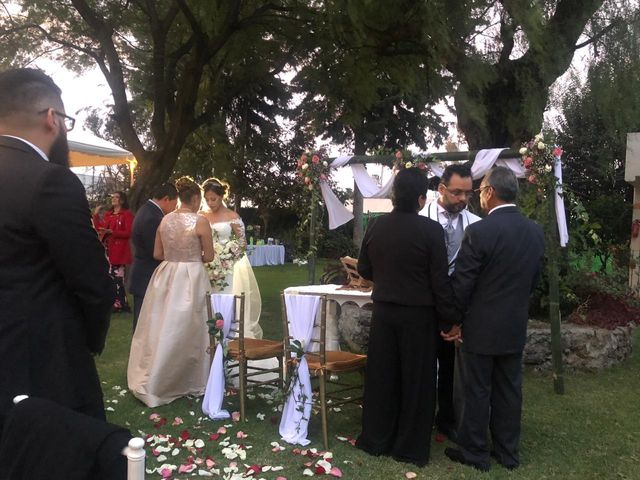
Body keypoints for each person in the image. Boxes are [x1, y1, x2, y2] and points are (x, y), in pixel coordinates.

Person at [0, 68, 114, 430]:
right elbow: (92, 279)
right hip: (40, 355)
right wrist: (92, 337)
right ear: (52, 119)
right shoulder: (49, 180)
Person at [355, 167, 462, 467]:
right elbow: (440, 282)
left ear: (393, 195)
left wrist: (387, 278)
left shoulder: (376, 226)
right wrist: (449, 320)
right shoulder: (430, 231)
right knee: (417, 381)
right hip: (418, 316)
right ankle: (410, 447)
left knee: (382, 376)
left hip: (385, 313)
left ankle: (376, 439)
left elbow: (364, 269)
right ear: (420, 199)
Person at [444, 166, 545, 472]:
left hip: (480, 326)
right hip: (514, 323)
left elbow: (463, 283)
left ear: (489, 192)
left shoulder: (480, 231)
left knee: (475, 390)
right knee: (509, 390)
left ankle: (475, 452)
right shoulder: (535, 231)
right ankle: (507, 451)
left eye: (479, 191)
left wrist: (454, 321)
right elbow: (533, 280)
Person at [127, 177, 214, 407]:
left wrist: (175, 258)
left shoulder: (164, 220)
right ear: (195, 198)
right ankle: (191, 376)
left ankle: (158, 373)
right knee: (191, 323)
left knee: (162, 323)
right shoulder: (201, 221)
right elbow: (210, 256)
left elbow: (157, 253)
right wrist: (191, 257)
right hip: (192, 274)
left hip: (166, 273)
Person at [419, 164, 480, 440]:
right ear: (441, 189)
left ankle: (447, 417)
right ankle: (418, 414)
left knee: (450, 367)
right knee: (420, 362)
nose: (463, 199)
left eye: (468, 193)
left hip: (455, 308)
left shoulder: (477, 226)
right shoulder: (421, 218)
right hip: (422, 304)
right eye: (457, 193)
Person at [200, 178, 263, 339]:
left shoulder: (231, 216)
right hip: (205, 265)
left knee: (225, 298)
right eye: (207, 199)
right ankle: (206, 336)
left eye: (213, 198)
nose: (210, 202)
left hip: (226, 267)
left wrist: (227, 256)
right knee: (205, 298)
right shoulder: (201, 215)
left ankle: (226, 334)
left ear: (221, 197)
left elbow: (242, 243)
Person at [129, 182, 178, 331]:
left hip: (143, 272)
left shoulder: (146, 209)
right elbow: (156, 251)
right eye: (174, 205)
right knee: (143, 322)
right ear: (166, 199)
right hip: (147, 274)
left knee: (144, 320)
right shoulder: (153, 217)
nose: (174, 209)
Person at [99, 191, 134, 312]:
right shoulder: (109, 214)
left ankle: (118, 303)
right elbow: (101, 229)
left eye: (116, 197)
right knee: (111, 276)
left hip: (119, 250)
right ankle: (121, 303)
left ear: (122, 200)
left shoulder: (126, 215)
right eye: (112, 197)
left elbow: (129, 232)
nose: (113, 199)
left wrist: (112, 232)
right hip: (108, 249)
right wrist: (96, 216)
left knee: (117, 277)